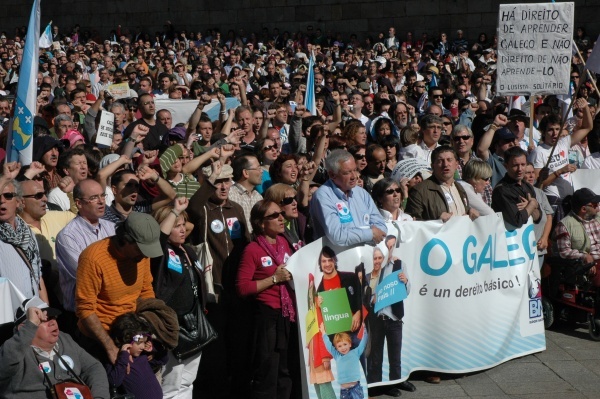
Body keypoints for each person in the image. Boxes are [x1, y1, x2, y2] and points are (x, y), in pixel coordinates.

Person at [75, 212, 160, 364]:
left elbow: (146, 291)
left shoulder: (141, 256)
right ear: (125, 239)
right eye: (140, 249)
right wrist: (110, 347)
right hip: (99, 339)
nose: (144, 255)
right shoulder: (93, 258)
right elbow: (85, 309)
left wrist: (146, 335)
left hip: (133, 335)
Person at [236, 200, 295, 399]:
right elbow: (243, 288)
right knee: (267, 370)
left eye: (281, 213)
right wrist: (274, 279)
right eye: (274, 215)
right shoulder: (252, 249)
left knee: (285, 371)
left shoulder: (284, 242)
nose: (281, 218)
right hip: (266, 316)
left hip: (287, 314)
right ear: (261, 223)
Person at [151, 198, 206, 399]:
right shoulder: (160, 252)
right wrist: (174, 211)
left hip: (193, 324)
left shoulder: (187, 250)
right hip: (172, 326)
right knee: (172, 382)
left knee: (188, 380)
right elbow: (159, 237)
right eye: (177, 226)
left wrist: (179, 215)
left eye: (183, 225)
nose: (183, 230)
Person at [0, 297, 110, 398]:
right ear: (24, 328)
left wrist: (99, 396)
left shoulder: (64, 339)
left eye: (53, 317)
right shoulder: (14, 351)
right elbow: (4, 365)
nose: (52, 322)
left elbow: (93, 367)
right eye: (44, 320)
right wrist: (30, 327)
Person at [56, 179, 116, 329]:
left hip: (113, 308)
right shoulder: (68, 236)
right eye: (94, 198)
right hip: (83, 318)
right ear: (79, 203)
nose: (101, 201)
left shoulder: (113, 228)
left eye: (103, 196)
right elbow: (85, 275)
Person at [366, 240, 415, 395]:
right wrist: (371, 299)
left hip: (394, 318)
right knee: (376, 357)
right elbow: (367, 294)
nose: (389, 249)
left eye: (391, 246)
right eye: (386, 246)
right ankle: (377, 386)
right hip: (378, 320)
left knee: (395, 356)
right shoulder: (375, 268)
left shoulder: (399, 264)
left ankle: (396, 382)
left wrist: (406, 282)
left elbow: (406, 291)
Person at [310, 149, 387, 246]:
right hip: (335, 258)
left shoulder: (361, 193)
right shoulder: (323, 196)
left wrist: (361, 235)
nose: (354, 176)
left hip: (366, 256)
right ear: (332, 175)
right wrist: (370, 234)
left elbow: (381, 227)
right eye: (347, 173)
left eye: (355, 170)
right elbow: (338, 236)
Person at [0, 167, 49, 303]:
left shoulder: (27, 233)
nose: (2, 200)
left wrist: (46, 311)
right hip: (7, 316)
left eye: (8, 196)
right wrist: (5, 178)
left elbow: (38, 277)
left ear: (18, 202)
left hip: (33, 312)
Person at [406, 146, 476, 222]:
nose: (445, 164)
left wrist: (470, 214)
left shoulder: (460, 188)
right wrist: (437, 221)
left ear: (456, 164)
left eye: (449, 160)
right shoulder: (419, 191)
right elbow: (412, 224)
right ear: (432, 166)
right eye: (440, 161)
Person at [106, 313, 165, 399]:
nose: (142, 346)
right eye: (138, 342)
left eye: (144, 342)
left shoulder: (142, 357)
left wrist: (153, 349)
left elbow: (163, 359)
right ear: (125, 340)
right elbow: (114, 381)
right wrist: (123, 357)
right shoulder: (117, 360)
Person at [555, 188, 600, 286]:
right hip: (591, 264)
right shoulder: (565, 225)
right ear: (584, 209)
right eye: (595, 205)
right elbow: (564, 252)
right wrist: (584, 256)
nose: (598, 206)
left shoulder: (598, 216)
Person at [491, 147, 542, 229]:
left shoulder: (527, 186)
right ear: (506, 166)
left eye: (523, 164)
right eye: (515, 165)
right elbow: (518, 221)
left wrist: (528, 207)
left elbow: (538, 218)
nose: (520, 169)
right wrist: (532, 205)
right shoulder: (502, 190)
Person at [319, 324, 368, 399]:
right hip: (344, 391)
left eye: (345, 344)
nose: (343, 348)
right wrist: (323, 333)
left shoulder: (356, 352)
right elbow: (328, 346)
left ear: (350, 344)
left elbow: (363, 343)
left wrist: (365, 329)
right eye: (339, 346)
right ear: (336, 348)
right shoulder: (337, 355)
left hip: (356, 389)